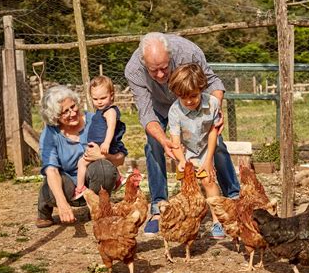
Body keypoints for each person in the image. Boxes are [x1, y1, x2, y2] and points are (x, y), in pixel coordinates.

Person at [124, 32, 240, 236]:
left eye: (164, 68)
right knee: (153, 144)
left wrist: (216, 112)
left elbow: (212, 81)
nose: (160, 75)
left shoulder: (189, 51)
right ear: (144, 63)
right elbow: (145, 112)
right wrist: (165, 141)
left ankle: (233, 197)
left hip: (194, 101)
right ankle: (159, 206)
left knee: (217, 142)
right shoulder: (133, 70)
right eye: (154, 71)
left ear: (171, 57)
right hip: (160, 107)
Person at [36, 85, 126, 228]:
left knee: (104, 168)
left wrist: (105, 156)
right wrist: (62, 204)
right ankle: (44, 209)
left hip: (92, 179)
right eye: (65, 112)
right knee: (52, 188)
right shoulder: (50, 134)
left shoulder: (97, 120)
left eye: (73, 106)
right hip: (68, 183)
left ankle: (97, 208)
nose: (72, 113)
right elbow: (51, 170)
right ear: (55, 116)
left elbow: (121, 157)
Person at [168, 63, 227, 238]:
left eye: (193, 96)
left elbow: (213, 132)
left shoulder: (212, 103)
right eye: (182, 97)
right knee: (187, 186)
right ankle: (189, 221)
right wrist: (181, 161)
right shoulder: (174, 111)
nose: (188, 101)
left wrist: (208, 161)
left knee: (208, 181)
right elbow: (175, 141)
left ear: (201, 88)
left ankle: (217, 221)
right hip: (185, 151)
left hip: (205, 147)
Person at [73, 75, 128, 200]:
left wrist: (107, 143)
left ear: (112, 96)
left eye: (103, 98)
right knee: (103, 162)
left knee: (82, 163)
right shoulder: (100, 111)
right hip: (97, 144)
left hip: (103, 144)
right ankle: (118, 178)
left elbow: (111, 128)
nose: (99, 101)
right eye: (95, 99)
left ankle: (80, 188)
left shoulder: (110, 111)